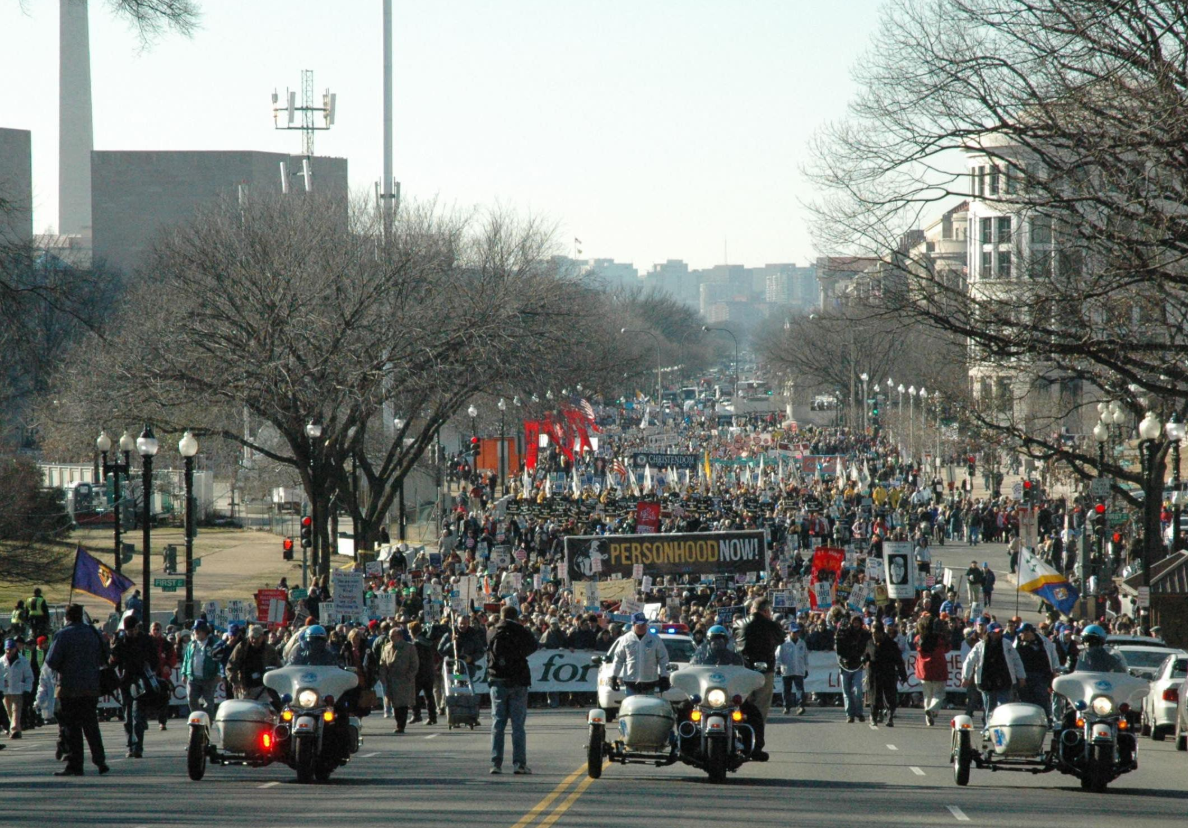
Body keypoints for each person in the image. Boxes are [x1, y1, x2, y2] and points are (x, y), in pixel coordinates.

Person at [44, 604, 108, 776]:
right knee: (91, 726)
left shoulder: (63, 635)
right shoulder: (94, 633)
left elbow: (51, 661)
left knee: (72, 729)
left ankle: (75, 764)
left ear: (67, 617)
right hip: (91, 686)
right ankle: (100, 760)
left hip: (69, 688)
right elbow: (105, 656)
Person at [690, 626, 767, 761]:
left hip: (729, 698)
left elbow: (745, 671)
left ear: (726, 641)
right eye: (714, 640)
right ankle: (682, 745)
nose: (717, 643)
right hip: (705, 698)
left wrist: (751, 675)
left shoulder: (735, 657)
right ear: (708, 641)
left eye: (720, 640)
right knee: (683, 709)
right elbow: (691, 670)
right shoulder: (700, 658)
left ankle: (756, 748)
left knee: (754, 713)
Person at [487, 605, 538, 775]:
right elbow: (534, 646)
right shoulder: (521, 631)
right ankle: (519, 764)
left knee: (498, 724)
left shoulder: (492, 631)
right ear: (515, 617)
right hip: (518, 680)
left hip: (497, 680)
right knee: (518, 725)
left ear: (501, 616)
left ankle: (496, 763)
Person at [111, 613, 158, 758]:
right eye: (129, 631)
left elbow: (154, 659)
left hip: (141, 681)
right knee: (128, 716)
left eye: (133, 630)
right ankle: (130, 745)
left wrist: (149, 668)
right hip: (125, 681)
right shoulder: (121, 641)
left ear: (137, 628)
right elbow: (113, 661)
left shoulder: (145, 640)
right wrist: (113, 647)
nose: (131, 633)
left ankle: (138, 746)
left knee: (137, 715)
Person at [961, 621, 1025, 723]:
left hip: (1004, 679)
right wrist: (966, 677)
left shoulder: (1007, 644)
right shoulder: (980, 646)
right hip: (987, 681)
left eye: (999, 632)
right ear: (989, 633)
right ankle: (988, 728)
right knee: (989, 707)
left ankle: (1001, 727)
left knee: (1004, 706)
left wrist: (1021, 676)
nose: (998, 634)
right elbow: (969, 661)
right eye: (995, 632)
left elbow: (1016, 660)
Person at [737, 598, 783, 722]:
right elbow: (781, 639)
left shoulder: (740, 623)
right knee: (762, 704)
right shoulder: (772, 626)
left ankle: (743, 729)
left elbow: (737, 643)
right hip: (765, 669)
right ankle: (757, 732)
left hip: (745, 667)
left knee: (744, 701)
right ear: (766, 611)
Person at [610, 613, 670, 695]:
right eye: (639, 625)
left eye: (644, 624)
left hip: (649, 682)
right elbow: (618, 659)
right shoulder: (626, 639)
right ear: (633, 624)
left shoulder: (654, 639)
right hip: (631, 683)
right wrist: (613, 676)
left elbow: (663, 659)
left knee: (648, 707)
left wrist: (664, 677)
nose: (642, 627)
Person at [378, 626, 419, 734]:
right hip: (391, 679)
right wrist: (382, 676)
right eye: (390, 636)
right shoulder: (386, 647)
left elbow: (414, 664)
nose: (391, 638)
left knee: (403, 704)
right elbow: (382, 663)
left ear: (400, 636)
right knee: (395, 704)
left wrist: (409, 676)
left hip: (403, 680)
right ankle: (398, 723)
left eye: (393, 636)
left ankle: (401, 725)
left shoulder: (409, 648)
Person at [870, 619, 907, 727]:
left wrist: (903, 675)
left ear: (881, 632)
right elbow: (865, 655)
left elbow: (899, 661)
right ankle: (874, 716)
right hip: (874, 674)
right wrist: (864, 660)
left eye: (875, 633)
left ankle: (890, 716)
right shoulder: (869, 643)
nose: (874, 635)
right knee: (875, 696)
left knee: (889, 696)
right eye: (872, 633)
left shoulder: (891, 644)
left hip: (888, 673)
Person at [227, 625, 282, 698]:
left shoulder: (269, 650)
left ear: (262, 637)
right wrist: (235, 682)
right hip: (244, 687)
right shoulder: (241, 647)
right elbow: (230, 666)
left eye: (256, 637)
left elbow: (278, 667)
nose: (253, 640)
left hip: (262, 688)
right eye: (251, 637)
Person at [914, 615, 950, 726]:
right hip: (938, 667)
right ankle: (932, 710)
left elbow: (915, 644)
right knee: (939, 694)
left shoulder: (919, 638)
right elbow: (948, 648)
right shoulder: (940, 638)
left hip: (924, 670)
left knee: (927, 694)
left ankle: (928, 716)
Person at [181, 620, 221, 720]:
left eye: (198, 631)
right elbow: (186, 659)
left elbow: (220, 660)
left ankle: (208, 721)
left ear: (204, 632)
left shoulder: (214, 644)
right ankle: (197, 719)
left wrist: (219, 673)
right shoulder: (192, 644)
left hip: (209, 677)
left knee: (208, 701)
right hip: (193, 677)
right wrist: (184, 673)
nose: (195, 633)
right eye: (195, 631)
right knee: (191, 699)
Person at [1014, 622, 1058, 711]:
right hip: (1024, 677)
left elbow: (1054, 658)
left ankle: (1046, 720)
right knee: (1025, 702)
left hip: (1041, 677)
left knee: (1041, 701)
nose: (1021, 635)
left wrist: (1055, 673)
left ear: (1028, 632)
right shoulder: (1018, 642)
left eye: (1022, 633)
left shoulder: (1044, 642)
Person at [835, 615, 870, 723]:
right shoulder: (844, 633)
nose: (856, 624)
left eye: (857, 622)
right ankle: (849, 714)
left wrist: (865, 658)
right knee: (846, 692)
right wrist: (839, 633)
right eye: (854, 622)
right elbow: (838, 648)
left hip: (857, 666)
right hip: (845, 666)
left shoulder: (865, 635)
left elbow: (868, 647)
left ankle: (859, 712)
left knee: (858, 690)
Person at [1, 638, 34, 739]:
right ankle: (16, 731)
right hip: (5, 691)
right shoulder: (1, 662)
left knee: (16, 711)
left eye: (10, 649)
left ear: (15, 649)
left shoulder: (23, 661)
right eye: (7, 649)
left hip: (18, 690)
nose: (8, 651)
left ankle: (14, 729)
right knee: (9, 712)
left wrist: (27, 690)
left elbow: (29, 677)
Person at [148, 621, 177, 730]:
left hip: (162, 676)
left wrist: (168, 666)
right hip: (148, 675)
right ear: (151, 630)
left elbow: (173, 657)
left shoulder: (166, 644)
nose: (156, 632)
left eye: (158, 629)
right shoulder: (146, 642)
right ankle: (144, 719)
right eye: (154, 629)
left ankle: (162, 722)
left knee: (163, 699)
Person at [408, 621, 438, 725]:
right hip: (429, 671)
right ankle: (432, 717)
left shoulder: (416, 643)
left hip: (419, 672)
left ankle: (416, 714)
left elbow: (415, 659)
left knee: (413, 694)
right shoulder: (428, 641)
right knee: (429, 695)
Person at [776, 624, 808, 715]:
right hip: (787, 670)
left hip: (799, 669)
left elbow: (805, 657)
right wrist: (778, 667)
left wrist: (806, 669)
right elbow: (778, 656)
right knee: (786, 690)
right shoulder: (783, 643)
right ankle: (786, 707)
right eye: (794, 632)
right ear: (790, 632)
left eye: (797, 632)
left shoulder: (802, 643)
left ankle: (800, 706)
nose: (796, 634)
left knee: (800, 689)